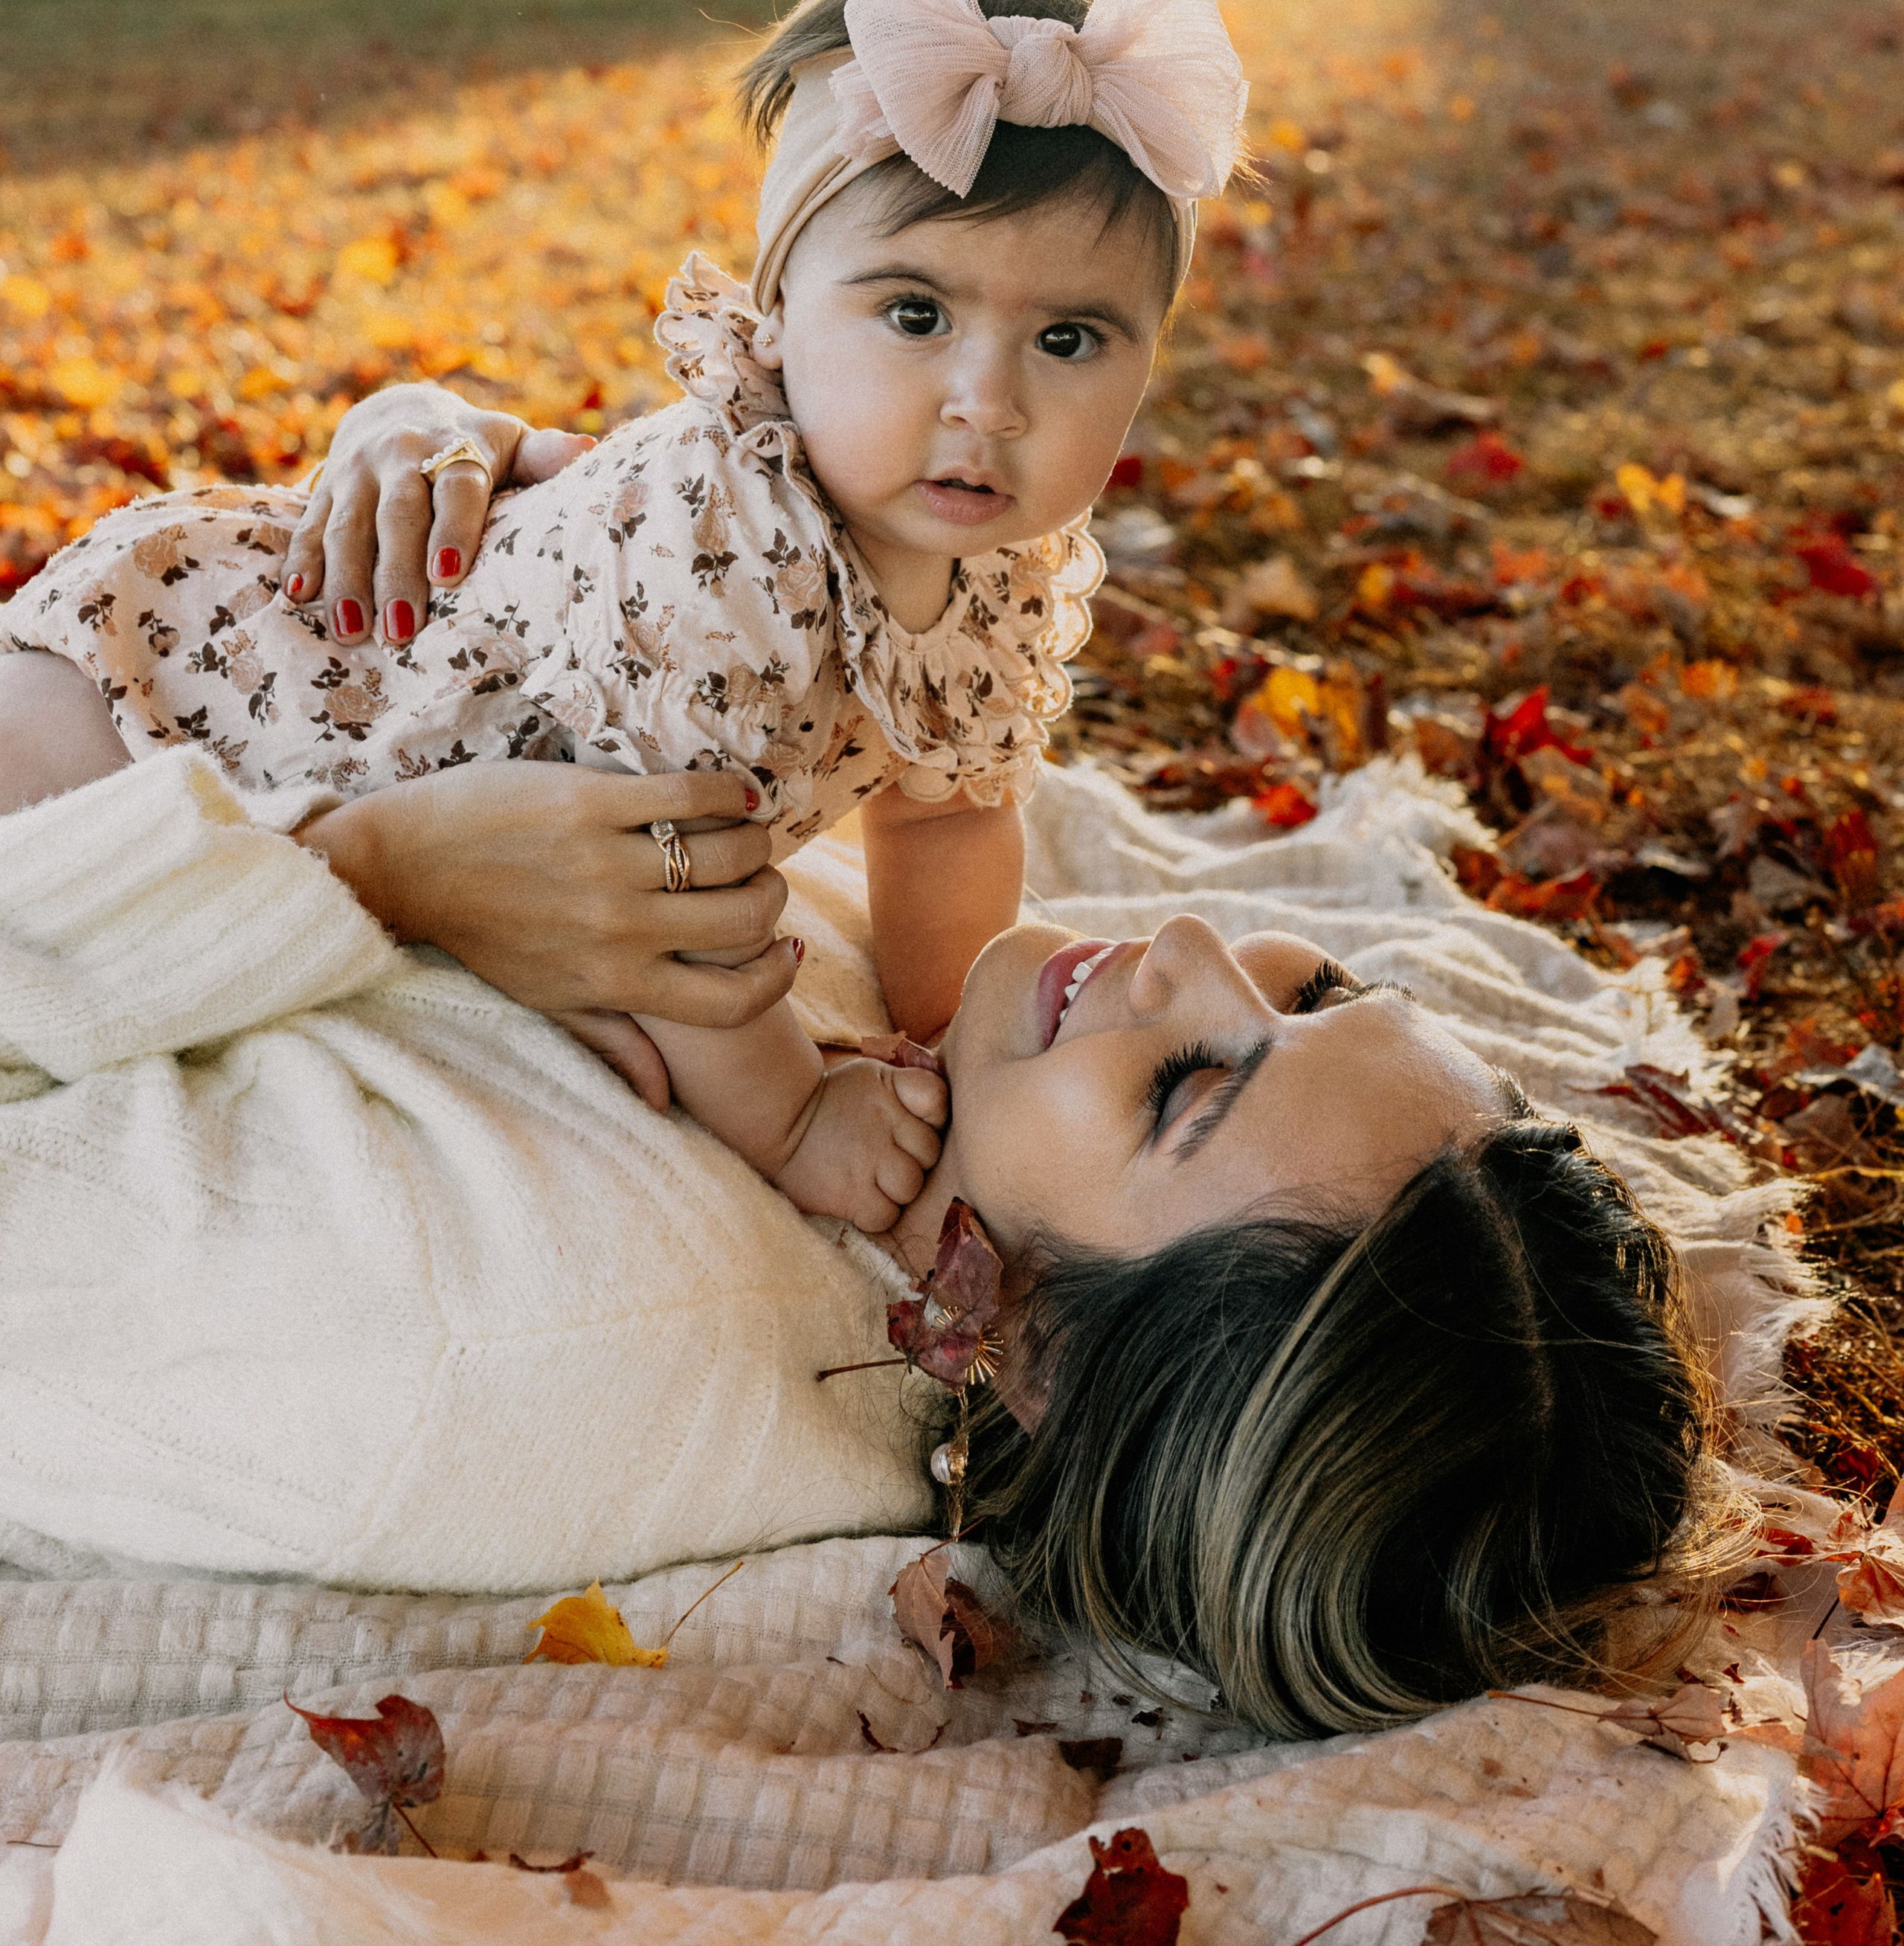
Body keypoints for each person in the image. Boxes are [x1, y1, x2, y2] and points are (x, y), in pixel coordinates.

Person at [0, 740, 1731, 1739]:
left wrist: (375, 866)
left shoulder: (491, 1315)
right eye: (1321, 993)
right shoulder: (942, 1097)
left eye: (1189, 1086)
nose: (1194, 941)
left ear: (1045, 1358)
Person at [0, 0, 1247, 1232]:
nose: (985, 404)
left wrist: (946, 1035)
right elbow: (665, 865)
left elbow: (947, 814)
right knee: (42, 905)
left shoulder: (999, 572)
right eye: (915, 315)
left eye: (1068, 338)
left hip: (358, 813)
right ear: (778, 316)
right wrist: (796, 1112)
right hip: (205, 694)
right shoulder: (728, 534)